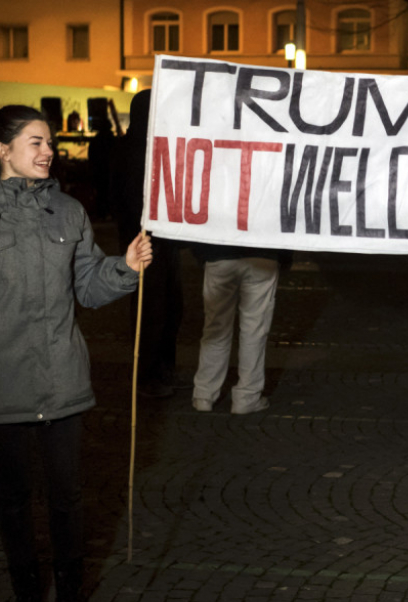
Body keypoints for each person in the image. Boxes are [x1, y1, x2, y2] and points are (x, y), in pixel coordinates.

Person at [0, 105, 153, 602]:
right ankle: (27, 601)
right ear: (3, 150)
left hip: (62, 381)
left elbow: (89, 286)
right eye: (35, 142)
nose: (48, 151)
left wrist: (125, 267)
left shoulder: (68, 212)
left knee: (69, 498)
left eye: (48, 142)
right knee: (14, 499)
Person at [110, 89, 186, 398]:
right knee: (150, 311)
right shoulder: (131, 150)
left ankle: (163, 368)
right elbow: (127, 199)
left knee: (172, 306)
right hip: (143, 243)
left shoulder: (157, 147)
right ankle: (147, 376)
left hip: (164, 241)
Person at [191, 243, 289, 414]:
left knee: (215, 327)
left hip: (219, 252)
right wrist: (284, 256)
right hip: (263, 254)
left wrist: (202, 253)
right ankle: (247, 397)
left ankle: (204, 394)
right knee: (254, 328)